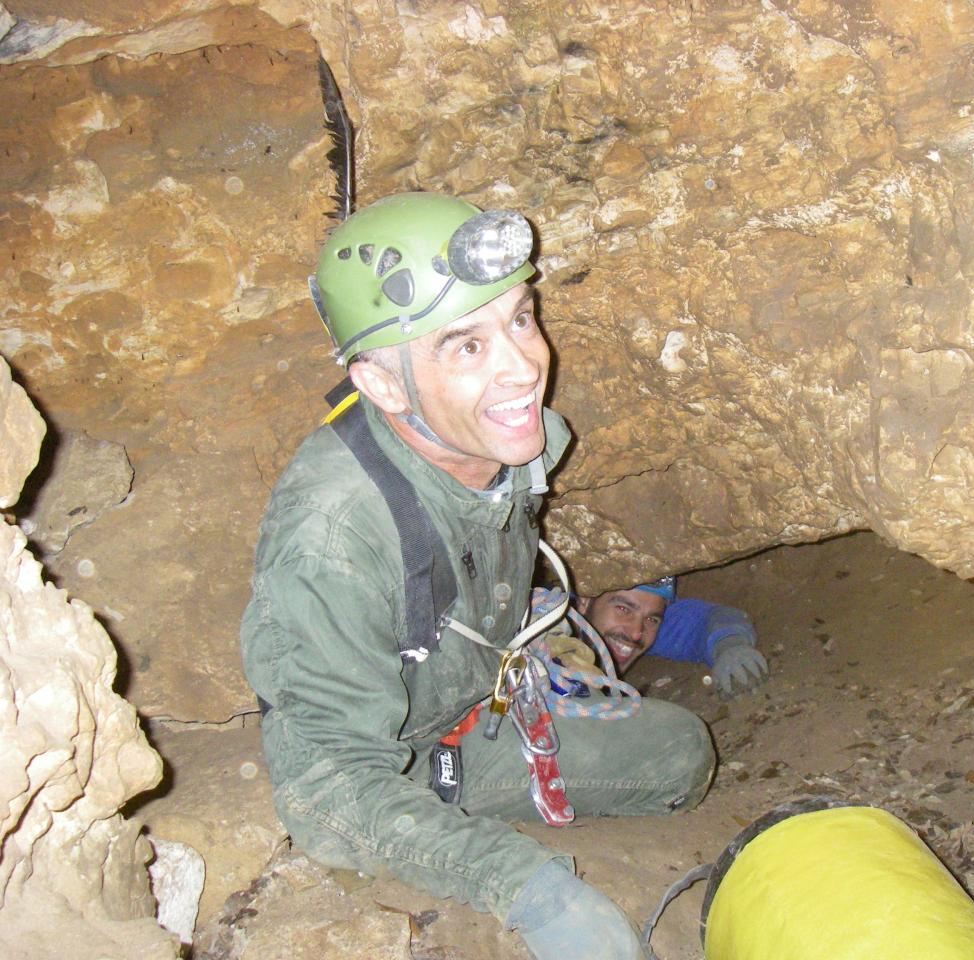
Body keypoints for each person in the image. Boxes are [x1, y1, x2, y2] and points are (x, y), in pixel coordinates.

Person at [240, 193, 714, 960]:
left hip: (480, 703)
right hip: (400, 754)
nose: (523, 366)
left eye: (521, 318)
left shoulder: (518, 450)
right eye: (464, 346)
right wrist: (529, 888)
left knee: (680, 757)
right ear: (386, 386)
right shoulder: (333, 536)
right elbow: (324, 793)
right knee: (370, 800)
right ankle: (438, 802)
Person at [572, 579, 770, 698]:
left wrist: (728, 644)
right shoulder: (546, 623)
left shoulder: (643, 631)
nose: (636, 633)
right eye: (623, 609)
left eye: (651, 619)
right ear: (584, 601)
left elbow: (706, 621)